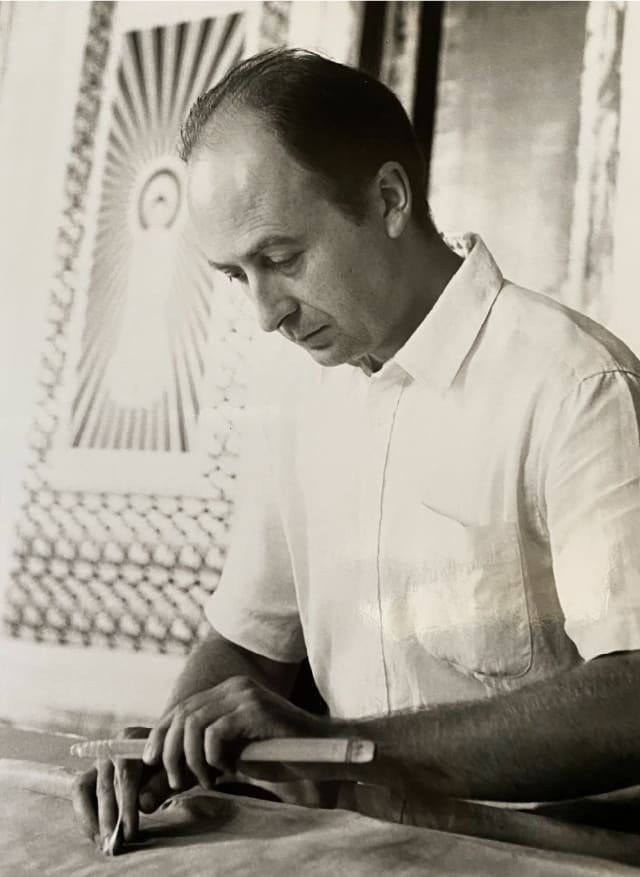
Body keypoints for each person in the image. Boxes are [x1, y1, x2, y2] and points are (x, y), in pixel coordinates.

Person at [74, 48, 640, 854]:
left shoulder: (578, 385)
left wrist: (351, 749)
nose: (266, 312)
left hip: (549, 858)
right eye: (237, 276)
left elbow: (630, 696)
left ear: (388, 199)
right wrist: (170, 745)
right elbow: (249, 643)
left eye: (281, 259)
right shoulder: (296, 397)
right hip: (349, 850)